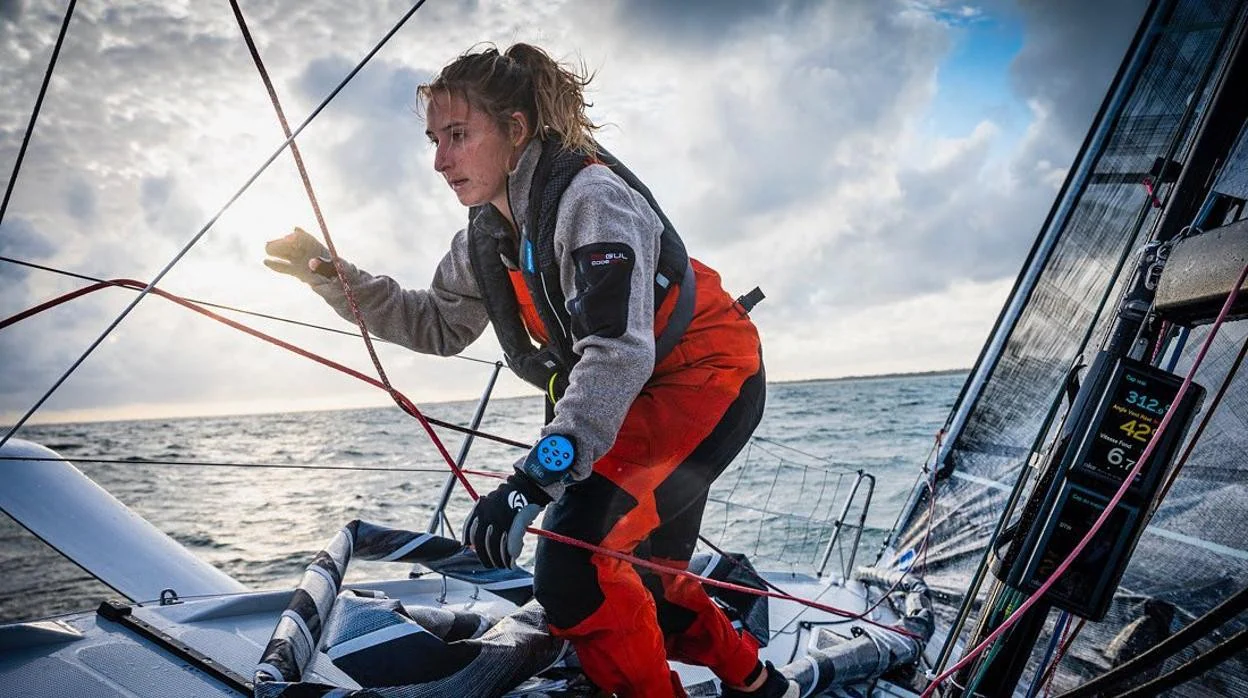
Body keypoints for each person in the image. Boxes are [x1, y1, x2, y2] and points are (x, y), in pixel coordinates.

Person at [264, 43, 794, 698]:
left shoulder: (592, 200)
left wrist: (531, 481)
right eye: (434, 140)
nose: (439, 160)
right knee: (649, 576)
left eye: (457, 136)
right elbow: (437, 323)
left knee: (575, 573)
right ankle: (760, 682)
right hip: (634, 392)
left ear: (515, 130)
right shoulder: (486, 235)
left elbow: (615, 351)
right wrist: (333, 279)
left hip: (707, 377)